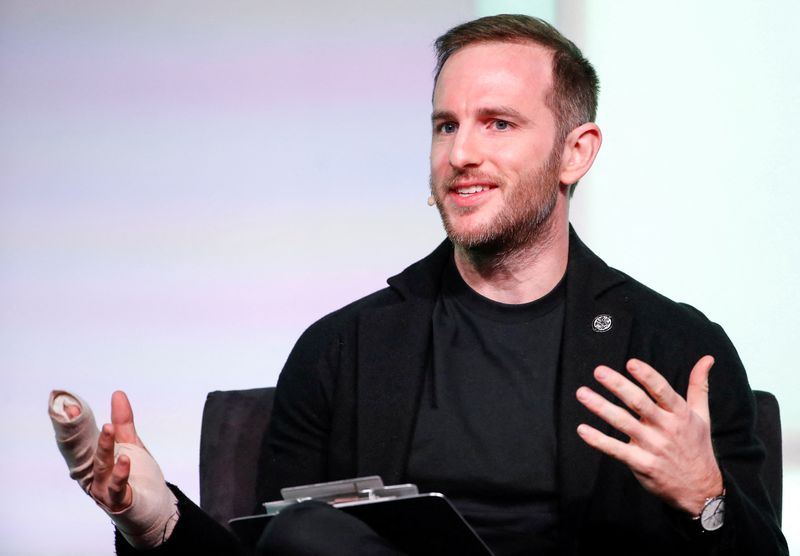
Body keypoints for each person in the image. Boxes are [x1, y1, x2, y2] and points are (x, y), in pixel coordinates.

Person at [50, 14, 787, 556]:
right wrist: (159, 524)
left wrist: (707, 499)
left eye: (498, 124)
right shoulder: (344, 350)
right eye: (444, 125)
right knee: (308, 537)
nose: (461, 152)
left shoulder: (676, 350)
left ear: (575, 153)